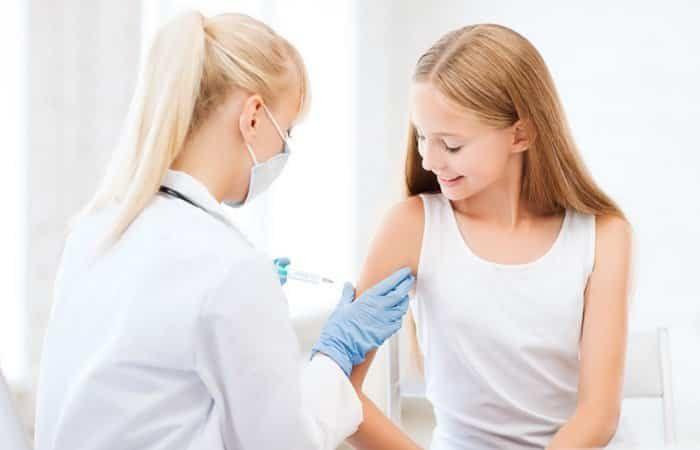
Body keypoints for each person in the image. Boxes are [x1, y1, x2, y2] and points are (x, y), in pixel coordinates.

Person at [34, 11, 414, 450]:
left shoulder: (95, 232)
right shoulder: (230, 268)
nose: (284, 149)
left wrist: (248, 314)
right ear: (253, 116)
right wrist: (336, 354)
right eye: (287, 131)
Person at [347, 24, 634, 450]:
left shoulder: (604, 236)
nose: (429, 159)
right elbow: (339, 393)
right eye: (422, 136)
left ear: (520, 135)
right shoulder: (411, 227)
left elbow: (599, 416)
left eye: (451, 145)